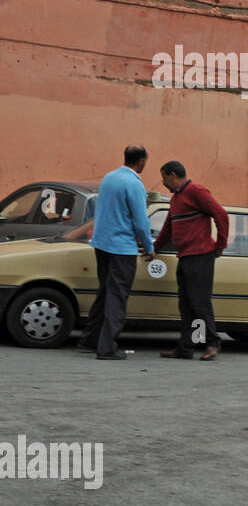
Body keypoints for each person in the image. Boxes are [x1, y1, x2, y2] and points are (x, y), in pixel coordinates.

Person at [78, 145, 154, 360]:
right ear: (140, 161)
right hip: (122, 248)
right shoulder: (134, 184)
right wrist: (149, 247)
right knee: (117, 297)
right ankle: (107, 347)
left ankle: (89, 339)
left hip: (102, 244)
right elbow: (141, 221)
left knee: (105, 291)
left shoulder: (109, 178)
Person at [152, 161, 230, 361]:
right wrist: (154, 249)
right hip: (185, 257)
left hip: (201, 256)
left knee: (199, 303)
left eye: (164, 178)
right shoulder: (176, 199)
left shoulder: (196, 191)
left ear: (172, 175)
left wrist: (220, 245)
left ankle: (212, 343)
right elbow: (168, 228)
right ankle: (187, 347)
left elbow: (220, 214)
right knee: (186, 304)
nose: (163, 182)